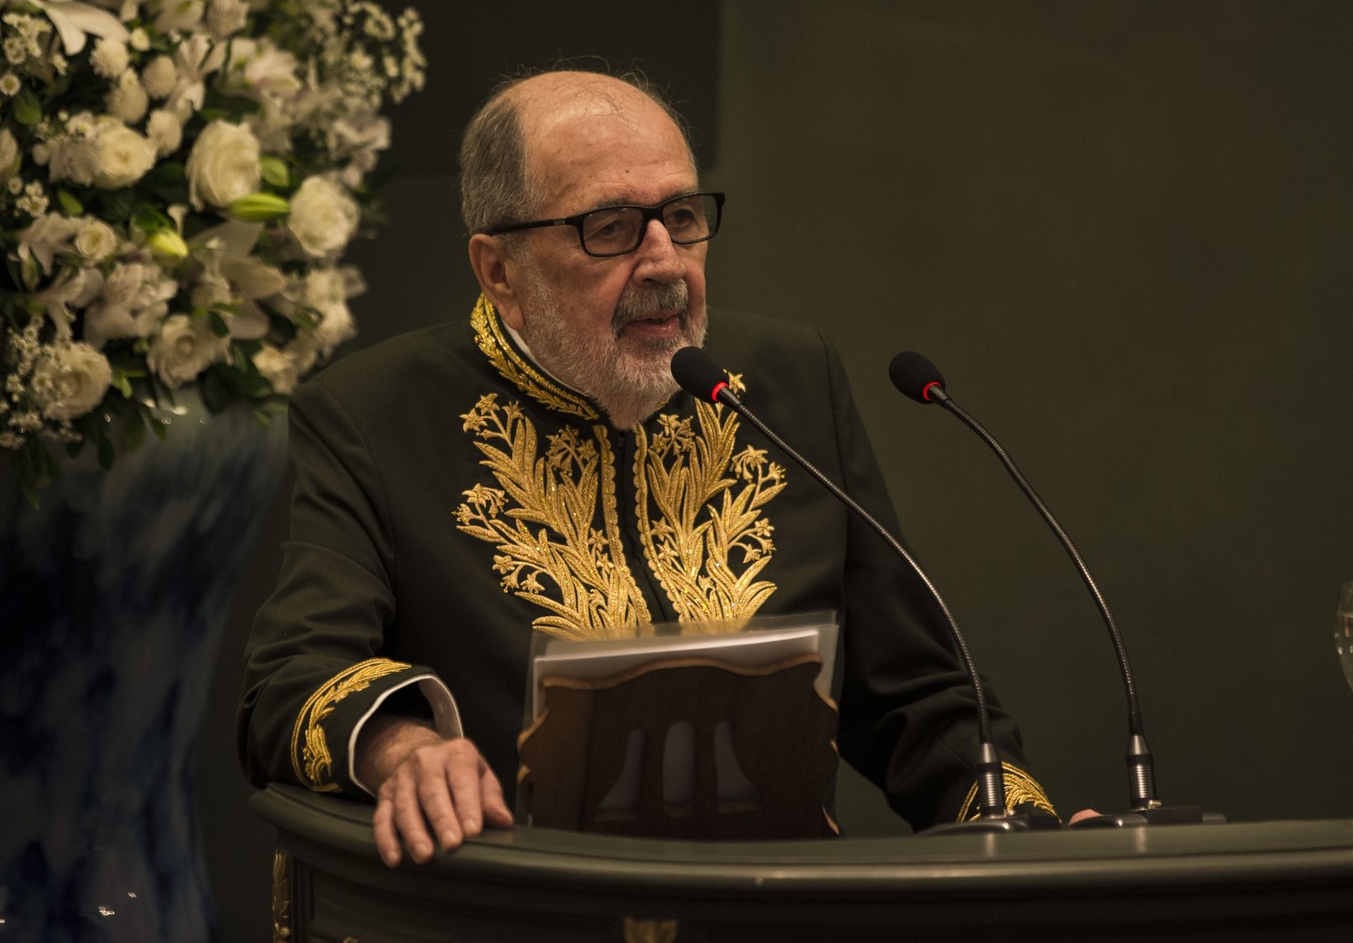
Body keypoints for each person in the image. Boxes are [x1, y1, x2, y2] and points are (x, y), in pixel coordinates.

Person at [238, 68, 1055, 868]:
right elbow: (290, 680)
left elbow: (917, 694)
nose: (666, 262)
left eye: (682, 217)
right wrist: (402, 745)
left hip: (771, 913)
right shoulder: (376, 416)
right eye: (611, 226)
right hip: (516, 908)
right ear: (499, 270)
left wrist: (1025, 833)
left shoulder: (789, 380)